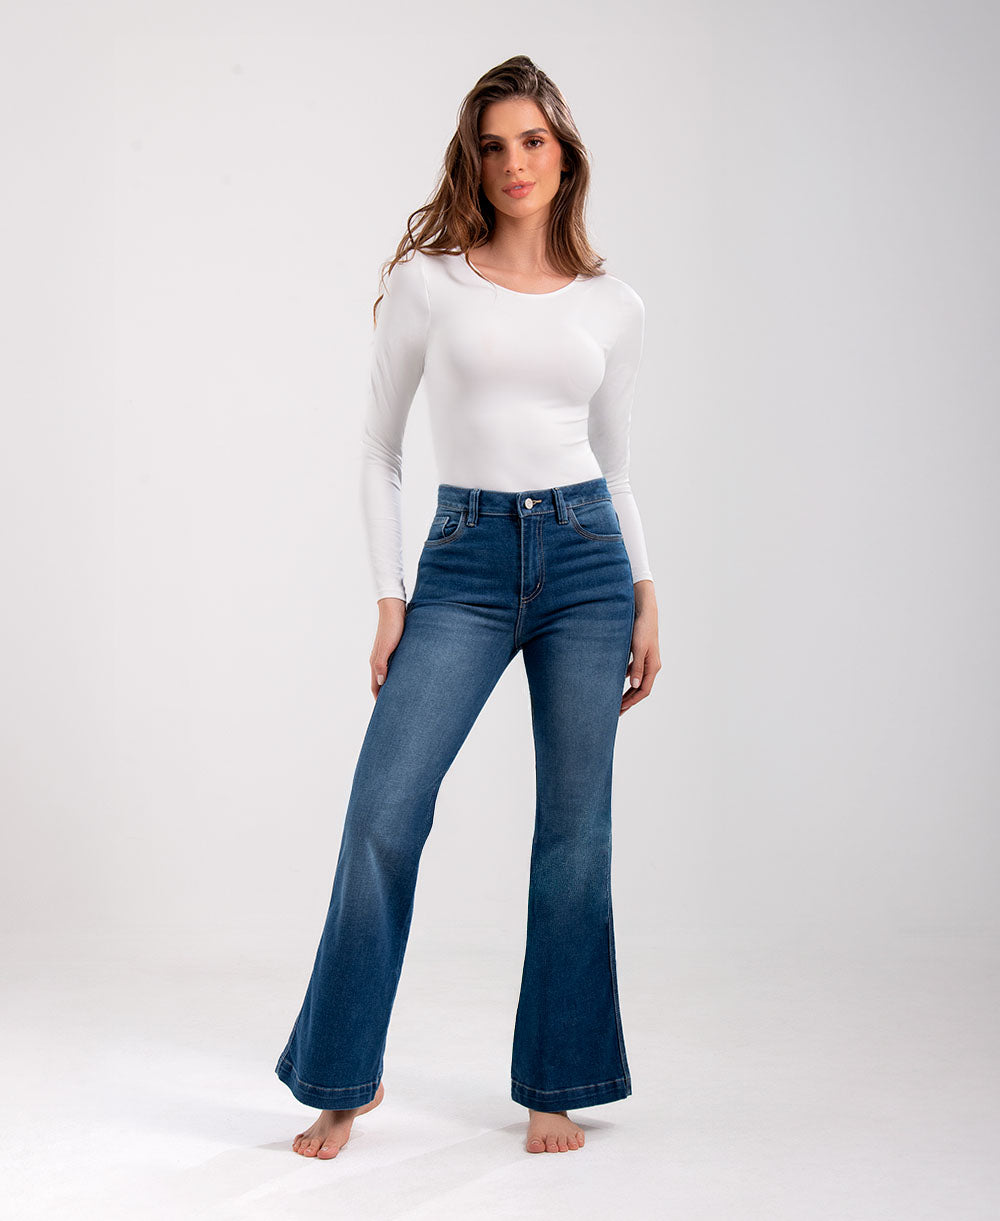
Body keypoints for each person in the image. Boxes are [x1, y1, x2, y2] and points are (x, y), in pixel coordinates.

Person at [275, 53, 662, 1159]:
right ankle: (341, 1076)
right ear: (472, 161)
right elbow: (378, 448)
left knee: (574, 833)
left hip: (588, 563)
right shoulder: (429, 284)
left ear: (563, 154)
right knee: (384, 810)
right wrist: (390, 597)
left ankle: (558, 1080)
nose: (513, 163)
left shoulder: (614, 306)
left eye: (532, 141)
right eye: (493, 146)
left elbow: (615, 468)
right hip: (464, 562)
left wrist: (645, 592)